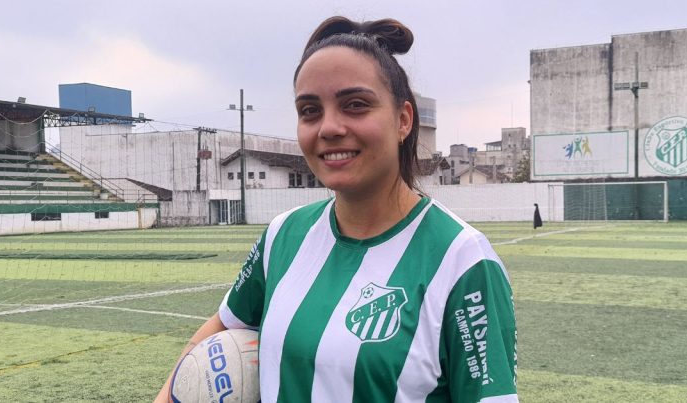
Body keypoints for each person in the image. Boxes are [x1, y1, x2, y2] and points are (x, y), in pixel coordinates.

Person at [155, 16, 518, 403]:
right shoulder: (283, 236)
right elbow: (218, 330)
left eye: (355, 105)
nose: (328, 127)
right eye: (309, 110)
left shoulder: (463, 261)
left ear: (403, 120)